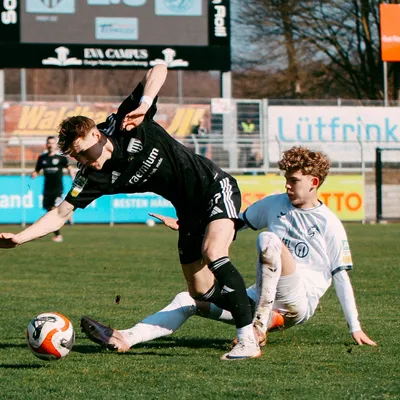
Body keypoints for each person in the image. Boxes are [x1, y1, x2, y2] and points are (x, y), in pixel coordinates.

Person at [0, 64, 259, 361]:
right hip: (188, 211)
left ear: (96, 135)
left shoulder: (126, 121)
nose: (82, 160)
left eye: (84, 151)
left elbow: (159, 69)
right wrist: (20, 238)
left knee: (213, 253)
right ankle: (257, 315)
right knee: (200, 291)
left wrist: (145, 104)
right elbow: (60, 214)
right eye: (75, 156)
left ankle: (247, 340)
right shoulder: (91, 177)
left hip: (212, 186)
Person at [80, 146, 376, 353]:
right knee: (189, 299)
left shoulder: (330, 224)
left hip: (298, 302)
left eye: (294, 180)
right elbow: (232, 225)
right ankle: (125, 338)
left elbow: (341, 276)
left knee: (269, 241)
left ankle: (258, 327)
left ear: (313, 183)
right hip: (260, 298)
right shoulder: (274, 204)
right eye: (286, 179)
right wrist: (188, 226)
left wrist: (355, 327)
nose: (287, 186)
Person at [31, 136, 75, 242]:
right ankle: (67, 215)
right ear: (46, 145)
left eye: (52, 143)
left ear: (56, 145)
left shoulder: (61, 158)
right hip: (47, 189)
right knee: (48, 210)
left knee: (52, 210)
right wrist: (34, 174)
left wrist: (72, 175)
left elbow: (69, 168)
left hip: (58, 189)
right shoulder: (42, 158)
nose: (50, 145)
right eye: (49, 143)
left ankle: (58, 235)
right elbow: (37, 170)